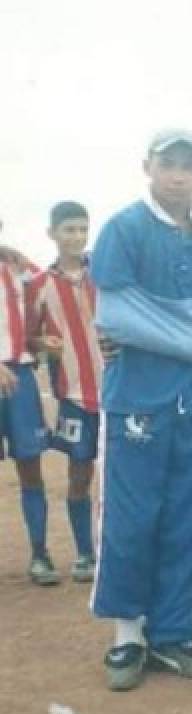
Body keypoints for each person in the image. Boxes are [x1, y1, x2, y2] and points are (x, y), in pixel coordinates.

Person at [89, 128, 192, 689]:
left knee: (190, 519)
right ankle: (126, 638)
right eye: (167, 163)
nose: (177, 174)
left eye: (187, 164)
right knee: (131, 517)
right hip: (136, 398)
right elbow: (117, 316)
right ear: (147, 165)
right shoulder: (124, 227)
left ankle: (173, 634)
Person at [26, 201, 101, 583]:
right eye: (69, 229)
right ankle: (85, 553)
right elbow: (27, 338)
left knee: (124, 476)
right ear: (52, 233)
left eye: (82, 229)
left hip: (119, 393)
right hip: (74, 394)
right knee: (79, 473)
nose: (76, 237)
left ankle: (113, 551)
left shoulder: (104, 273)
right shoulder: (39, 285)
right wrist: (42, 344)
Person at [0, 235, 52, 584]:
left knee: (30, 466)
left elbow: (51, 289)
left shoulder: (20, 268)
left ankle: (40, 554)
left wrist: (39, 341)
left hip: (19, 375)